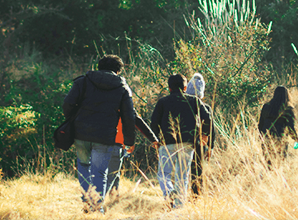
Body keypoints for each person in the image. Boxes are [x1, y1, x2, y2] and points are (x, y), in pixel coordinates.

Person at [62, 54, 136, 213]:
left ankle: (88, 202)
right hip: (105, 136)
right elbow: (129, 116)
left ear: (99, 67)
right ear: (118, 71)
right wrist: (129, 140)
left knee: (83, 167)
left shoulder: (83, 81)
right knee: (99, 173)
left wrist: (74, 119)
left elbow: (67, 104)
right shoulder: (122, 88)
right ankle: (96, 208)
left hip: (81, 134)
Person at [150, 74, 212, 209]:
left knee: (163, 174)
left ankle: (169, 192)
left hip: (167, 143)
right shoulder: (194, 100)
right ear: (185, 87)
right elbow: (207, 118)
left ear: (169, 87)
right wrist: (205, 136)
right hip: (187, 144)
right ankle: (179, 207)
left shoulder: (163, 102)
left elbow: (154, 122)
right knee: (182, 176)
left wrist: (156, 139)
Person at [106, 110, 159, 198]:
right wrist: (153, 139)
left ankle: (113, 198)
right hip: (116, 143)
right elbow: (139, 122)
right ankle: (96, 202)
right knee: (112, 174)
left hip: (100, 143)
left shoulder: (101, 101)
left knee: (112, 173)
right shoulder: (124, 105)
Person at [185, 73, 214, 197]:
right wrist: (210, 147)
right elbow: (211, 129)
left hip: (183, 141)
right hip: (200, 144)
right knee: (197, 170)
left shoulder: (182, 105)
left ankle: (181, 195)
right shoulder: (206, 107)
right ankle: (196, 195)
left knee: (183, 170)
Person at [258, 86, 298, 167]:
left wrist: (262, 136)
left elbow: (260, 124)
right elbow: (290, 127)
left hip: (266, 137)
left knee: (268, 163)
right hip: (280, 138)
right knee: (280, 163)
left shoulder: (266, 106)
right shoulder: (288, 109)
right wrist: (296, 139)